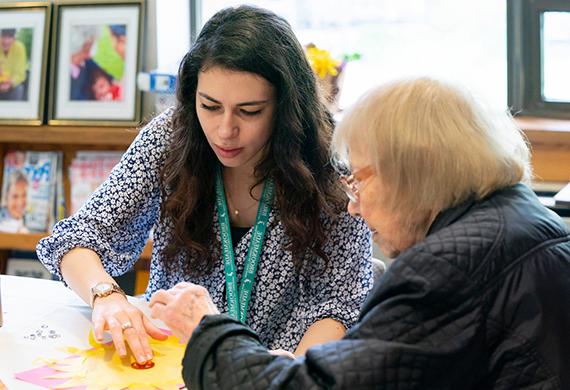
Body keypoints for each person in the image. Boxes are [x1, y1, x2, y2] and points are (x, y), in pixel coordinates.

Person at [149, 77, 570, 389]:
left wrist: (208, 329)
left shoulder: (446, 270)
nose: (353, 204)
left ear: (412, 177)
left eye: (360, 180)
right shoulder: (521, 218)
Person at [37, 5, 372, 366]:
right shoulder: (170, 138)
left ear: (286, 107)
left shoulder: (331, 163)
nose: (225, 130)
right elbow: (77, 238)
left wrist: (285, 375)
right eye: (210, 106)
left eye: (250, 111)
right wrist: (107, 296)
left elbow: (341, 303)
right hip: (171, 362)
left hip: (275, 371)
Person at [0, 28, 27, 101]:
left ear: (14, 39)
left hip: (12, 85)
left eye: (9, 37)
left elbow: (20, 74)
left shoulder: (19, 48)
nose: (6, 41)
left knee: (19, 88)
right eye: (3, 37)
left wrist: (11, 83)